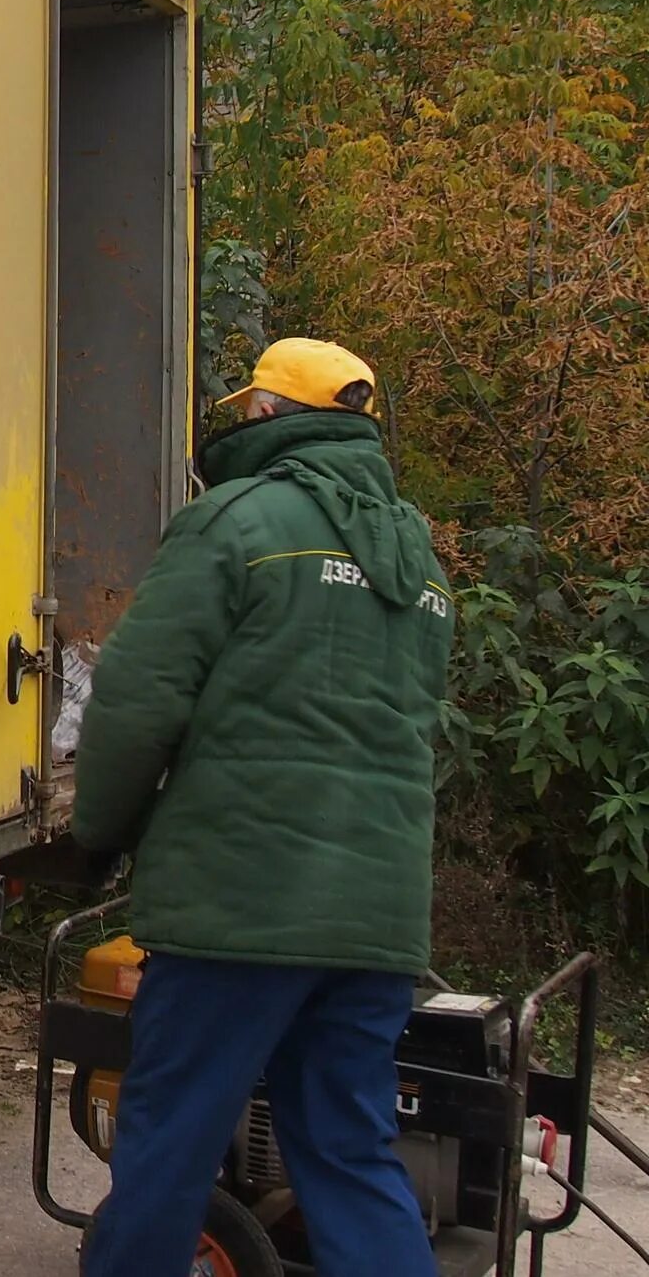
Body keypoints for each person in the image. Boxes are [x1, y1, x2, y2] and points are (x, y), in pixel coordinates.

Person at [72, 337, 455, 1276]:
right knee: (348, 1147)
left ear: (275, 419)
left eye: (252, 406)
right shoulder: (423, 563)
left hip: (236, 907)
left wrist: (99, 834)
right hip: (375, 918)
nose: (241, 420)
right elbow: (417, 735)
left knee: (170, 1140)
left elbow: (136, 696)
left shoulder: (237, 521)